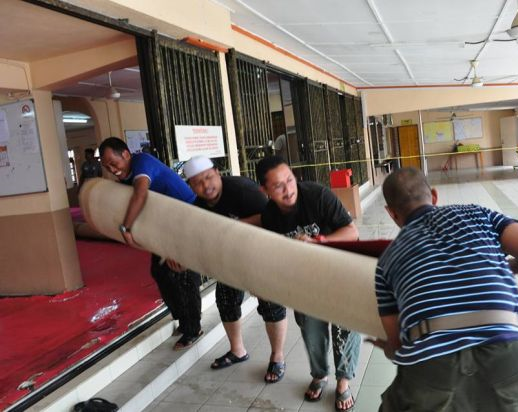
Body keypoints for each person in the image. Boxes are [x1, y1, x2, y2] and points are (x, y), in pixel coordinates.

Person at [368, 167, 518, 412]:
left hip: (430, 368)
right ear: (434, 196)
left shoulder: (387, 260)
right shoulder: (478, 214)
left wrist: (387, 348)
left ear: (391, 213)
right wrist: (505, 265)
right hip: (509, 353)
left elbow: (396, 345)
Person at [256, 155, 360, 412]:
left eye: (290, 180)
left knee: (345, 327)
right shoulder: (270, 216)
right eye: (278, 185)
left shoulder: (317, 196)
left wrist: (318, 242)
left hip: (341, 268)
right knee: (311, 329)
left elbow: (352, 232)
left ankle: (343, 381)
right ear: (265, 190)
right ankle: (320, 375)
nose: (288, 189)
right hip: (305, 279)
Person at [182, 155, 288, 383]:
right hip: (231, 259)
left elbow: (271, 218)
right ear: (190, 186)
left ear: (217, 173)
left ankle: (277, 357)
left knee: (271, 305)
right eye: (198, 182)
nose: (206, 185)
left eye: (209, 177)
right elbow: (193, 234)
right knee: (225, 301)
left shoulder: (242, 190)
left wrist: (231, 227)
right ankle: (237, 350)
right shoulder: (198, 207)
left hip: (262, 252)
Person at [99, 137, 203, 351]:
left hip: (186, 217)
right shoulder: (125, 176)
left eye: (113, 163)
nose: (112, 169)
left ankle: (193, 328)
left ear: (126, 154)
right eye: (106, 166)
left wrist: (126, 228)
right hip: (165, 223)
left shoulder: (142, 163)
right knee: (160, 271)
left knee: (182, 274)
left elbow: (141, 194)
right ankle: (183, 319)